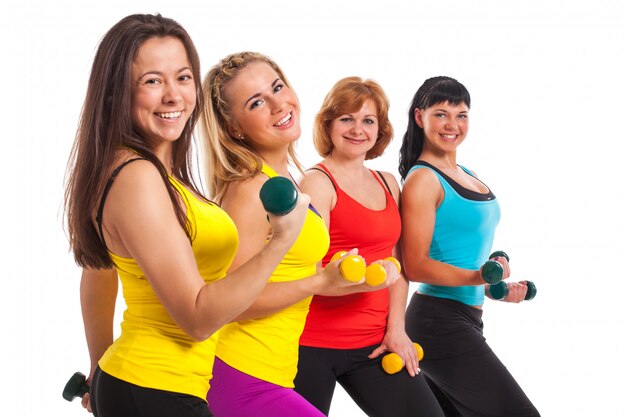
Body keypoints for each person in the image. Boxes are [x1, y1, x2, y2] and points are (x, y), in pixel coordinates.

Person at [64, 15, 309, 417]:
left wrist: (99, 362)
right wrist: (280, 241)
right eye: (152, 81)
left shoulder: (155, 174)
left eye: (182, 77)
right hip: (153, 389)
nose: (174, 95)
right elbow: (197, 319)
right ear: (115, 94)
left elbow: (100, 267)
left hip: (155, 385)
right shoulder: (136, 177)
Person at [200, 53, 401, 417]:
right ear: (234, 128)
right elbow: (231, 304)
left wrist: (345, 277)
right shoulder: (249, 189)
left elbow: (289, 273)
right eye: (257, 102)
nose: (279, 104)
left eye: (277, 87)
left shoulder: (285, 180)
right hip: (241, 374)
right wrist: (319, 283)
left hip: (276, 371)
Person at [292, 76, 445, 417]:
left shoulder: (388, 182)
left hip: (376, 344)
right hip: (313, 343)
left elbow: (397, 262)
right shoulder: (317, 182)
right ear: (328, 124)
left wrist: (396, 329)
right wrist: (373, 279)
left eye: (368, 120)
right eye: (347, 118)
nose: (357, 129)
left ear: (380, 129)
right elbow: (311, 275)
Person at [398, 76, 540, 417]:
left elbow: (461, 251)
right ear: (420, 117)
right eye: (441, 114)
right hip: (437, 322)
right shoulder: (422, 179)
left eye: (461, 114)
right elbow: (415, 265)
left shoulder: (465, 172)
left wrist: (496, 286)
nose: (452, 124)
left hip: (465, 317)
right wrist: (481, 277)